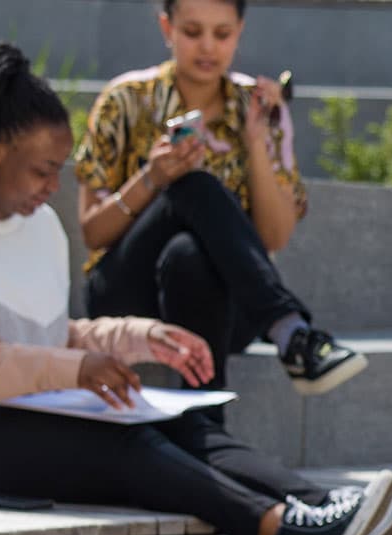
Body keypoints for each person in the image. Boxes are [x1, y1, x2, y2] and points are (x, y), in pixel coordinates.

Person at [0, 42, 392, 535]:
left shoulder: (37, 227)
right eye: (42, 170)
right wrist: (76, 370)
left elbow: (47, 335)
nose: (53, 187)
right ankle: (287, 530)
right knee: (125, 444)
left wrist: (140, 336)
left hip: (14, 407)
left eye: (59, 170)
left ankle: (333, 511)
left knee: (189, 426)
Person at [73, 0, 363, 395]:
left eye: (222, 34)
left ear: (239, 32)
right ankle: (290, 332)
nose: (207, 47)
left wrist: (256, 142)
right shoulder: (124, 100)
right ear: (167, 28)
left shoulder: (257, 105)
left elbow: (274, 237)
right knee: (193, 186)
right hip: (126, 297)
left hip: (230, 305)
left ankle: (205, 417)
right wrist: (152, 178)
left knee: (189, 255)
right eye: (193, 32)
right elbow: (92, 232)